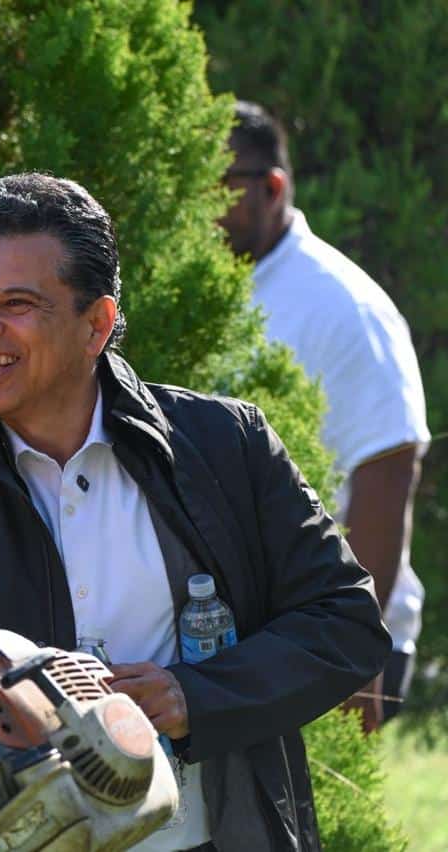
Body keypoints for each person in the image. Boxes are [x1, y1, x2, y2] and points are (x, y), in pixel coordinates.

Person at [0, 173, 389, 851]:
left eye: (16, 303)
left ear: (96, 324)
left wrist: (193, 696)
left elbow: (346, 623)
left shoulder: (225, 445)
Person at [219, 100, 430, 729]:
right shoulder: (222, 288)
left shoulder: (342, 306)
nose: (201, 203)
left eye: (219, 184)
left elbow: (387, 470)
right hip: (248, 637)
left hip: (329, 641)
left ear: (272, 187)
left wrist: (355, 646)